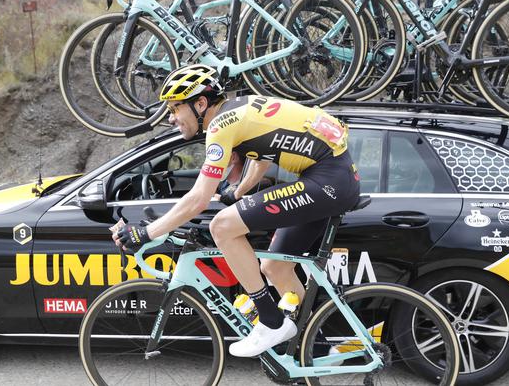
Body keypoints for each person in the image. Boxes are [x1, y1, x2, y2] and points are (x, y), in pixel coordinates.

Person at [111, 64, 360, 357]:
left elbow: (198, 199)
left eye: (175, 108)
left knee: (222, 226)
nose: (171, 117)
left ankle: (270, 321)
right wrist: (238, 192)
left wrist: (146, 232)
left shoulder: (221, 125)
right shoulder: (240, 109)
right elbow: (262, 156)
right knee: (274, 267)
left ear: (200, 103)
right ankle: (314, 349)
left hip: (328, 180)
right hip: (332, 177)